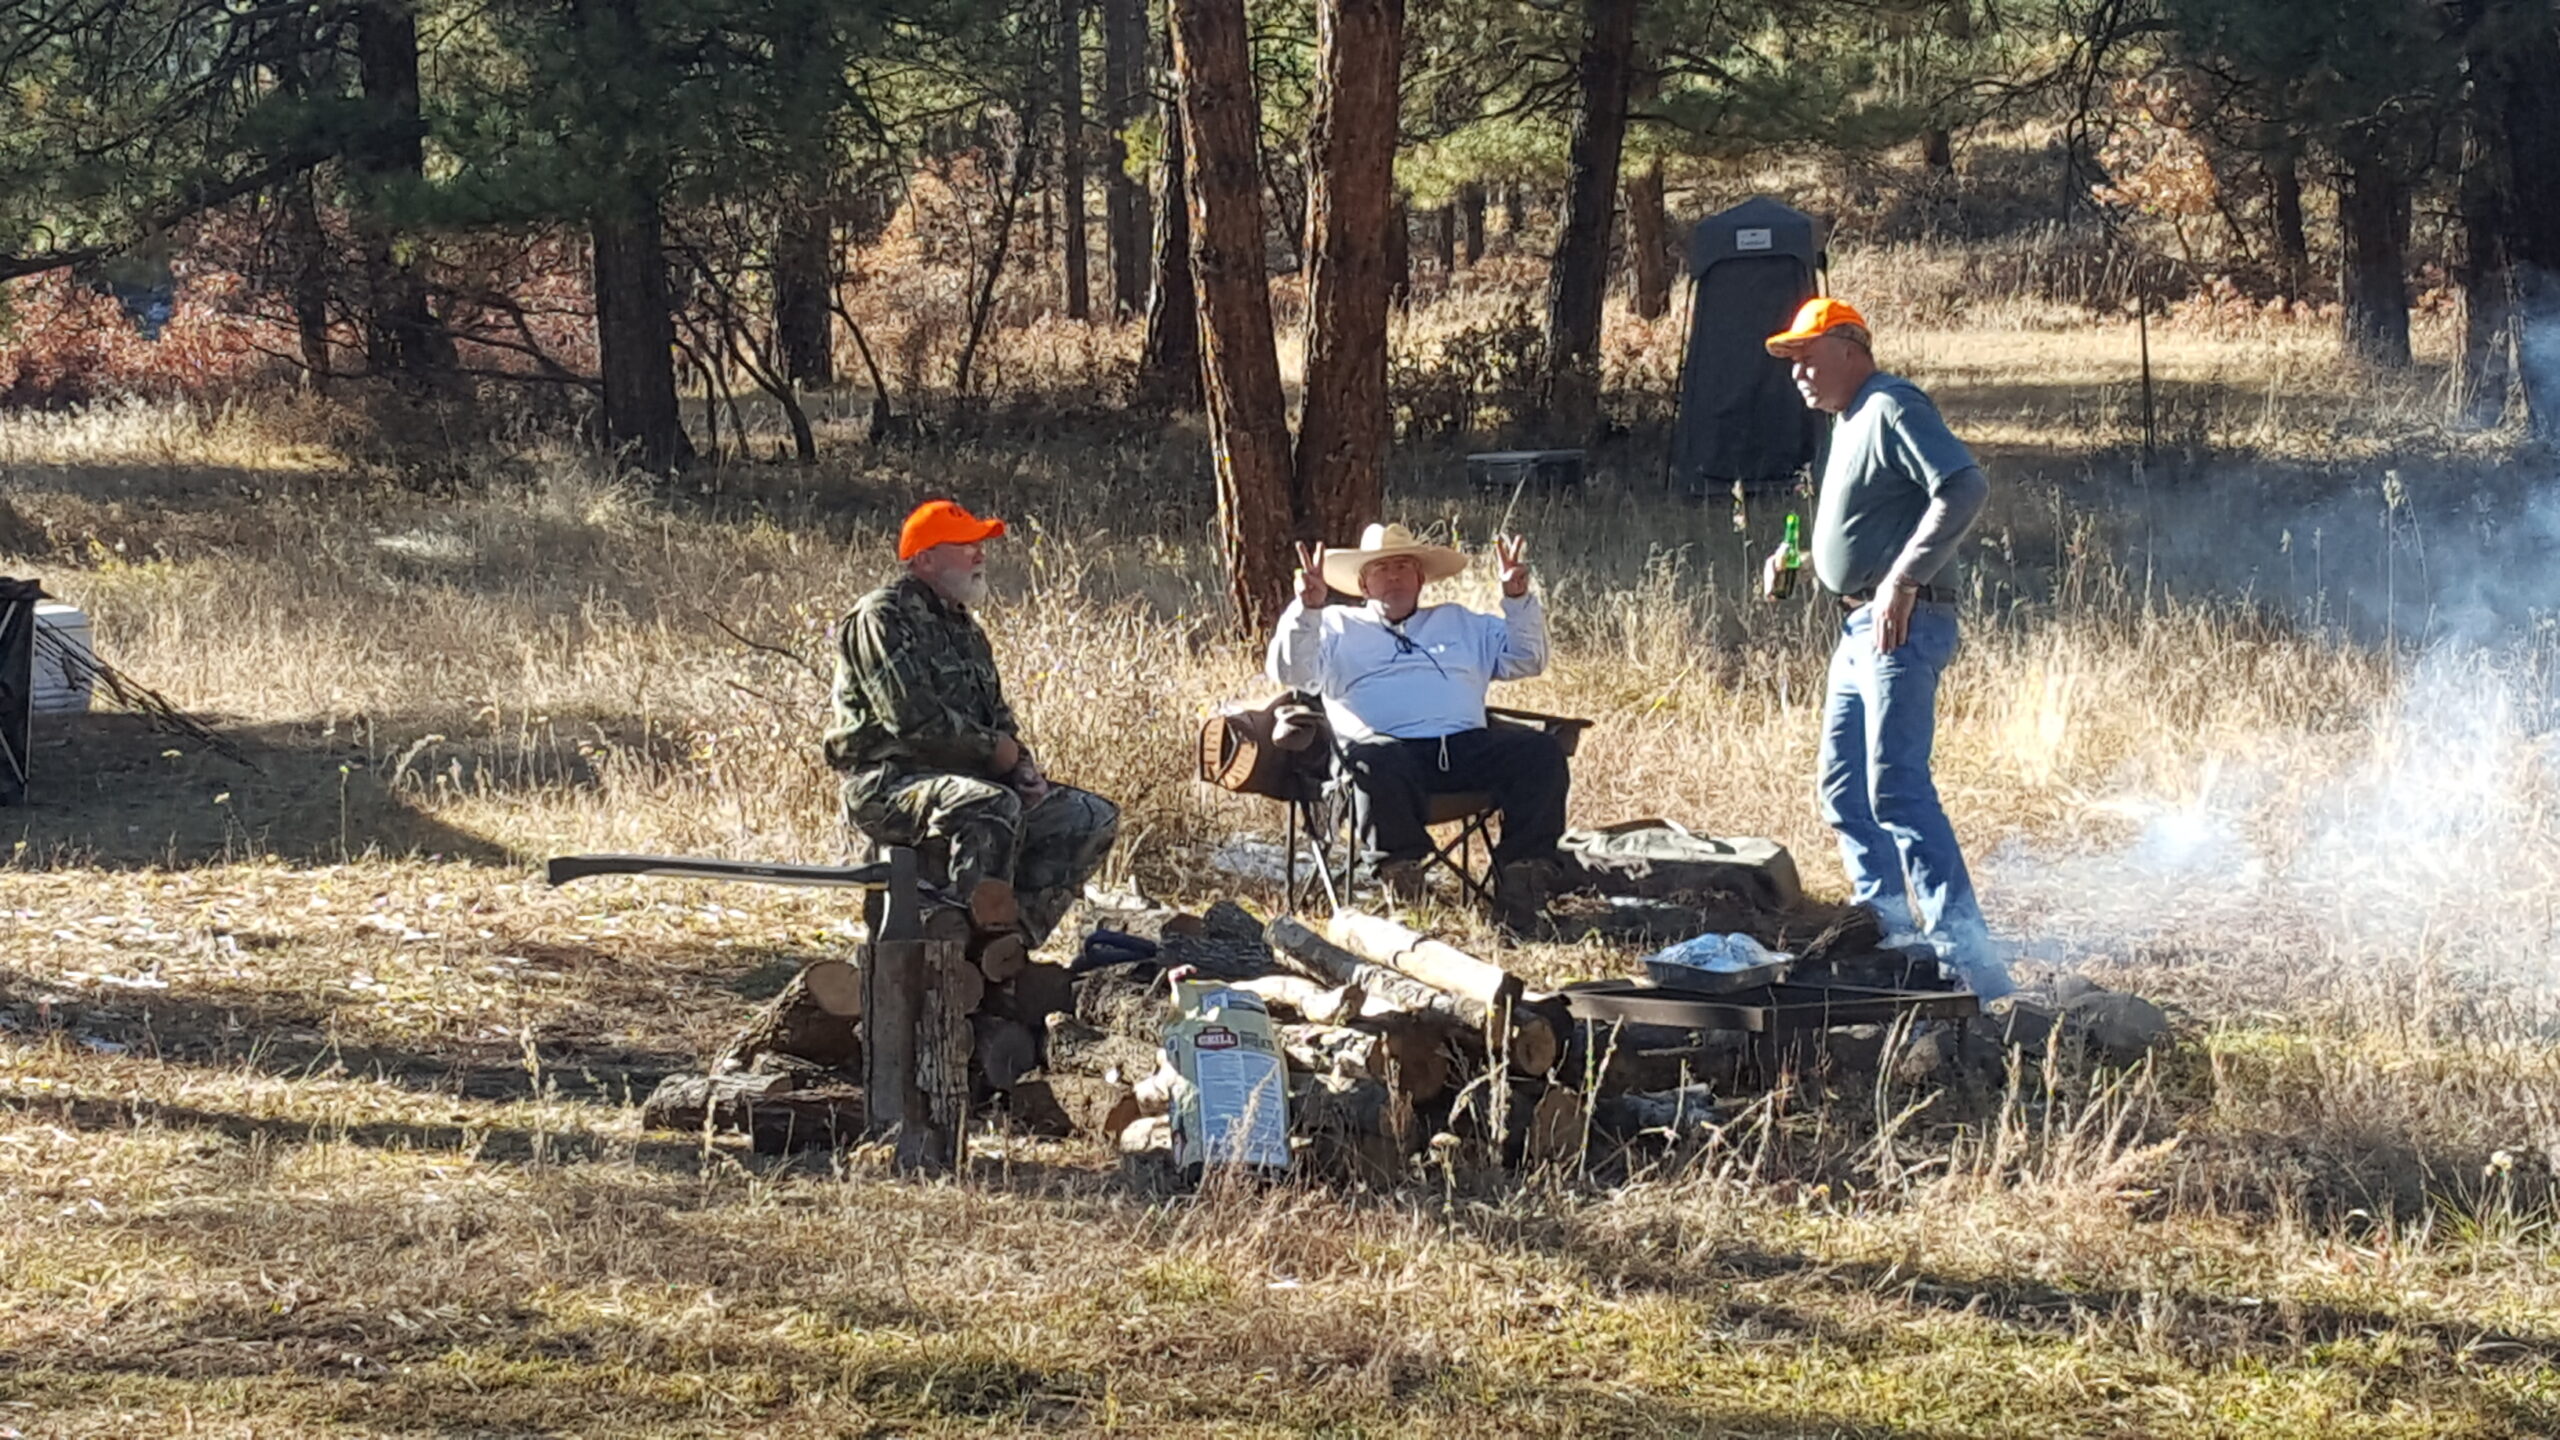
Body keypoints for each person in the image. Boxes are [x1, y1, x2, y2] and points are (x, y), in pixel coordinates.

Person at [1762, 297, 2010, 997]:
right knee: (1844, 792)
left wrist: (1904, 579)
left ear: (1850, 346)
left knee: (1895, 789)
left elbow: (1964, 485)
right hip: (1858, 626)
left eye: (1806, 357)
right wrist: (1806, 565)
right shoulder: (1847, 421)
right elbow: (1874, 526)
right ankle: (1892, 937)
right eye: (1790, 362)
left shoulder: (1894, 403)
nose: (1797, 374)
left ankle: (1970, 966)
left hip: (1901, 623)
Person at [823, 499, 1119, 948]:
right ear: (925, 559)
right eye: (965, 546)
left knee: (1089, 816)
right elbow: (911, 720)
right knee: (991, 804)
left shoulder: (966, 630)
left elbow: (999, 718)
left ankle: (1010, 944)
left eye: (980, 545)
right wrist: (993, 752)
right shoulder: (880, 617)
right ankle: (956, 944)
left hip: (969, 781)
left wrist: (1022, 767)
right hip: (887, 784)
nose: (980, 555)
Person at [1267, 521, 1564, 926]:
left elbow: (1527, 659)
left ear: (1421, 578)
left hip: (1462, 748)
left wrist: (1517, 599)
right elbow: (1292, 671)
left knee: (1541, 751)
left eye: (1403, 566)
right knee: (1377, 758)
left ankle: (1523, 884)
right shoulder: (1335, 624)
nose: (1393, 576)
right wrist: (1307, 609)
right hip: (1383, 756)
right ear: (1363, 584)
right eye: (1381, 568)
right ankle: (1405, 888)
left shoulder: (1461, 622)